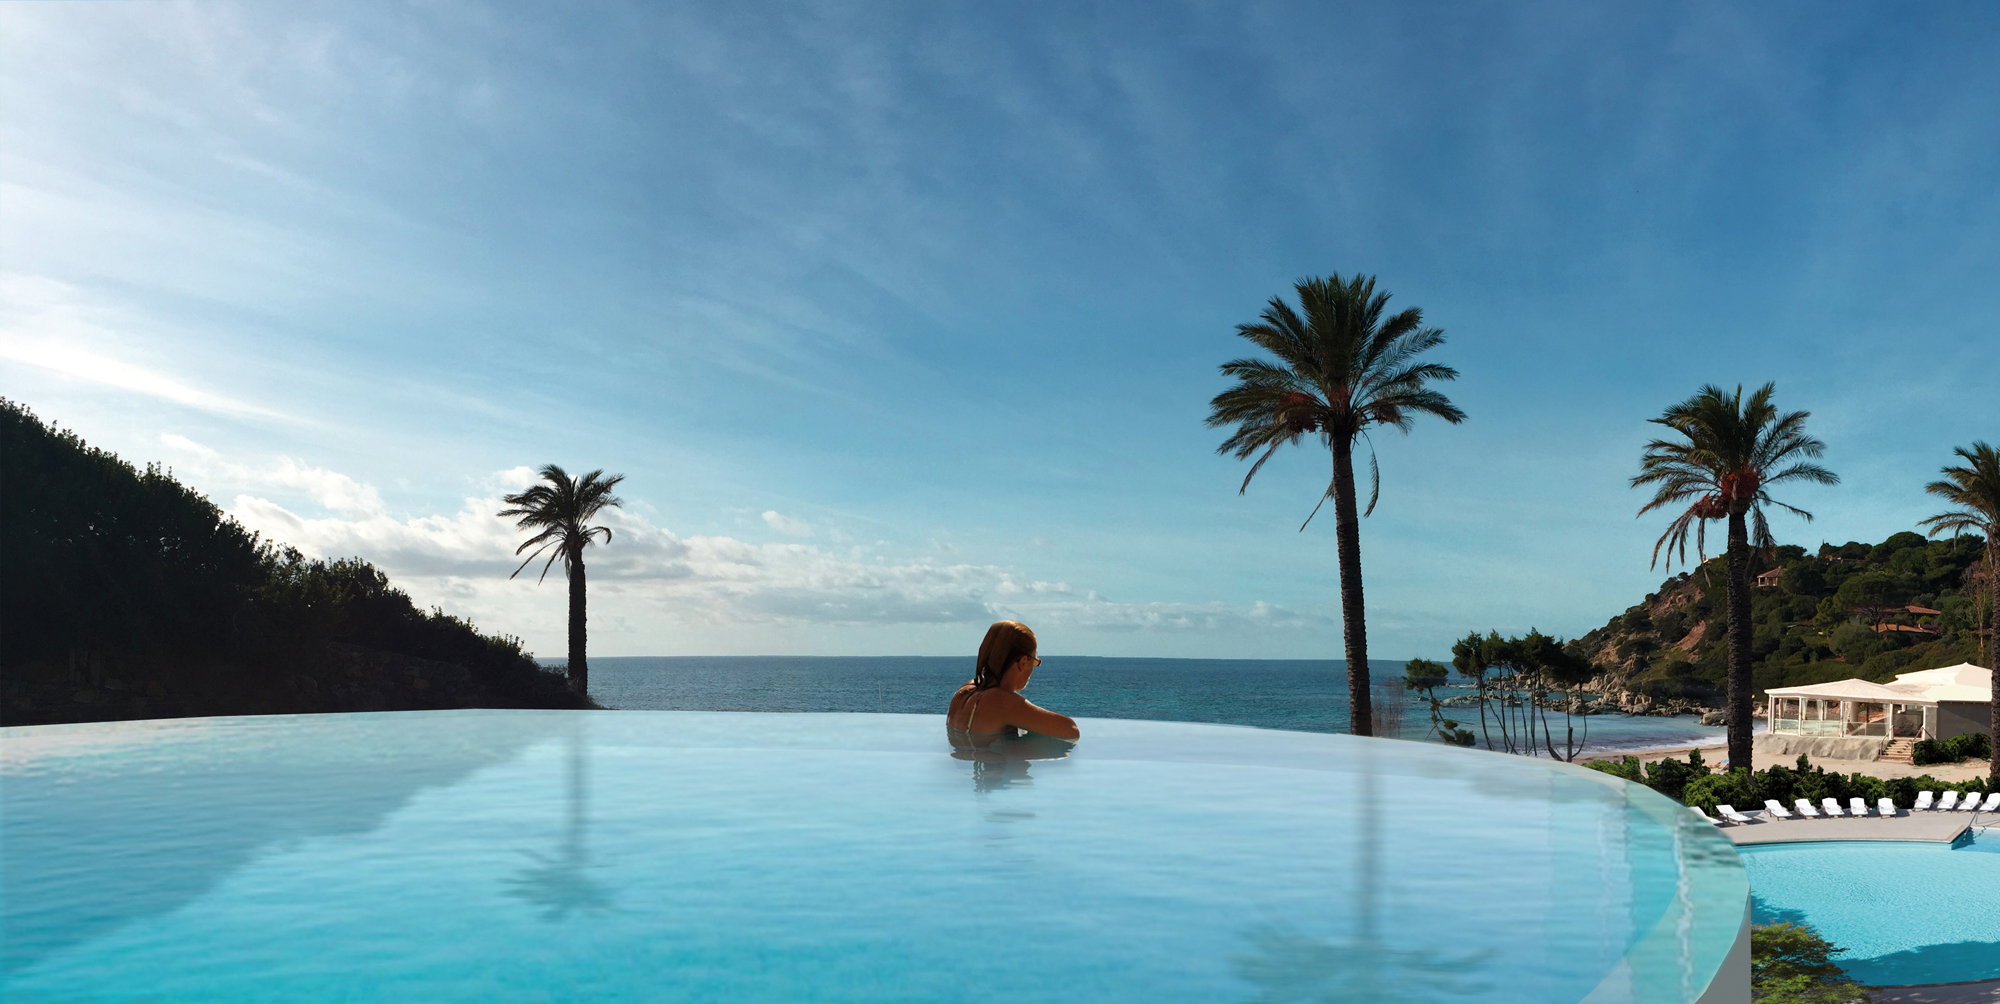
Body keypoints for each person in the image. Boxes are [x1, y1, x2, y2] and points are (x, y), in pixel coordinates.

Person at [947, 620, 1079, 745]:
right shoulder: (1001, 701)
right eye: (1034, 661)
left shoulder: (964, 691)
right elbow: (1071, 730)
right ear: (1023, 663)